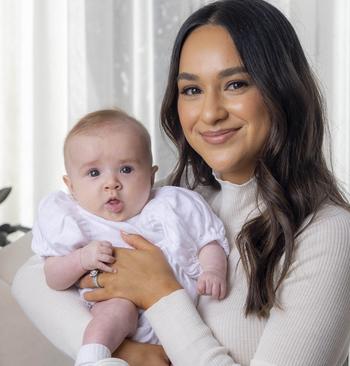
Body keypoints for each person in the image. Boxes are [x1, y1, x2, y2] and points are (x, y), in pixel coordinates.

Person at [13, 0, 350, 365]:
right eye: (192, 90)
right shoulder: (170, 198)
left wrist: (160, 293)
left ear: (281, 91)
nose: (211, 113)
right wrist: (127, 352)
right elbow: (29, 277)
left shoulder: (329, 234)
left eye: (235, 84)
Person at [30, 109, 229, 366]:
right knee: (116, 310)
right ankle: (93, 359)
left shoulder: (174, 204)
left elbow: (208, 240)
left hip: (180, 324)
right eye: (93, 173)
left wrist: (213, 270)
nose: (111, 183)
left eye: (126, 169)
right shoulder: (74, 219)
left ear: (151, 174)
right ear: (71, 186)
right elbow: (53, 276)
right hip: (119, 319)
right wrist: (81, 258)